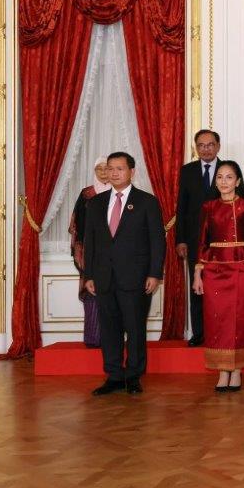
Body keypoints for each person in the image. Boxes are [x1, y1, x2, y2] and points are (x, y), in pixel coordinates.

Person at [82, 152, 165, 395]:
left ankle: (134, 376)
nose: (114, 173)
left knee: (135, 328)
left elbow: (157, 242)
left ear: (132, 172)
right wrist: (89, 275)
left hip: (136, 277)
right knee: (109, 329)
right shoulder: (95, 203)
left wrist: (154, 273)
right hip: (104, 277)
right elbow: (91, 242)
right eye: (111, 168)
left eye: (120, 168)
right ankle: (114, 375)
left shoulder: (147, 202)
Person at [176, 130, 244, 347]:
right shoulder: (187, 171)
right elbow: (181, 207)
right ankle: (199, 332)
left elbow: (242, 203)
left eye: (210, 144)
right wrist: (181, 239)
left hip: (224, 242)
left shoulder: (227, 169)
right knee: (198, 287)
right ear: (195, 147)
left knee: (224, 292)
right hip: (194, 240)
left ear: (218, 146)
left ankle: (221, 332)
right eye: (201, 145)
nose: (206, 149)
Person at [192, 161, 244, 392]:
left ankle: (237, 370)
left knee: (239, 318)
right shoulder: (208, 207)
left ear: (238, 181)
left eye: (229, 177)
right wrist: (197, 273)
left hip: (241, 268)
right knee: (216, 319)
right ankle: (222, 371)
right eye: (220, 177)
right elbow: (201, 242)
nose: (224, 181)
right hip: (213, 269)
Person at [69, 156, 109, 348]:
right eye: (99, 168)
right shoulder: (86, 194)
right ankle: (93, 338)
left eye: (106, 168)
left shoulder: (119, 192)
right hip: (91, 251)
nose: (103, 172)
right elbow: (77, 224)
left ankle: (112, 339)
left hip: (115, 253)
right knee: (92, 294)